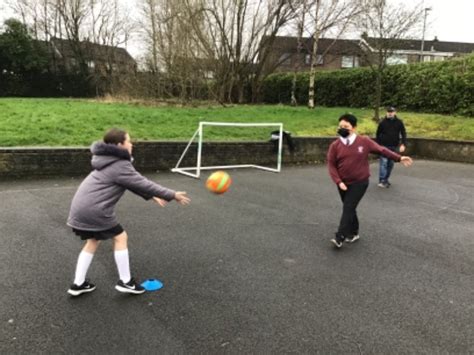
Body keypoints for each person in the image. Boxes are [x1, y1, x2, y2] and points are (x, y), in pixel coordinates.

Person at [66, 128, 191, 296]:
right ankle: (126, 282)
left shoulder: (107, 160)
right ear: (120, 145)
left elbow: (130, 183)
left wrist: (152, 196)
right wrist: (172, 194)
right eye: (129, 141)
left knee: (92, 241)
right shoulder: (119, 164)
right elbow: (142, 183)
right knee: (120, 237)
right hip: (95, 210)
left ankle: (78, 284)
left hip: (80, 208)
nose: (132, 144)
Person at [327, 114, 412, 248]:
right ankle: (354, 233)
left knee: (348, 207)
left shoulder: (364, 141)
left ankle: (340, 236)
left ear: (354, 128)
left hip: (360, 182)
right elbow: (331, 165)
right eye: (340, 126)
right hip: (343, 183)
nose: (342, 129)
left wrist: (398, 158)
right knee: (350, 208)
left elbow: (382, 150)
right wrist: (338, 181)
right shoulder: (335, 145)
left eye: (346, 127)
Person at [376, 106, 407, 188]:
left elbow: (403, 133)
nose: (390, 113)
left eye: (391, 112)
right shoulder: (382, 122)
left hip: (394, 146)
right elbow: (378, 134)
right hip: (384, 146)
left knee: (390, 164)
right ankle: (382, 181)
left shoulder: (399, 122)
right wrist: (378, 145)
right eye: (388, 112)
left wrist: (403, 144)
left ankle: (385, 179)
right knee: (384, 163)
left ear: (395, 112)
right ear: (386, 112)